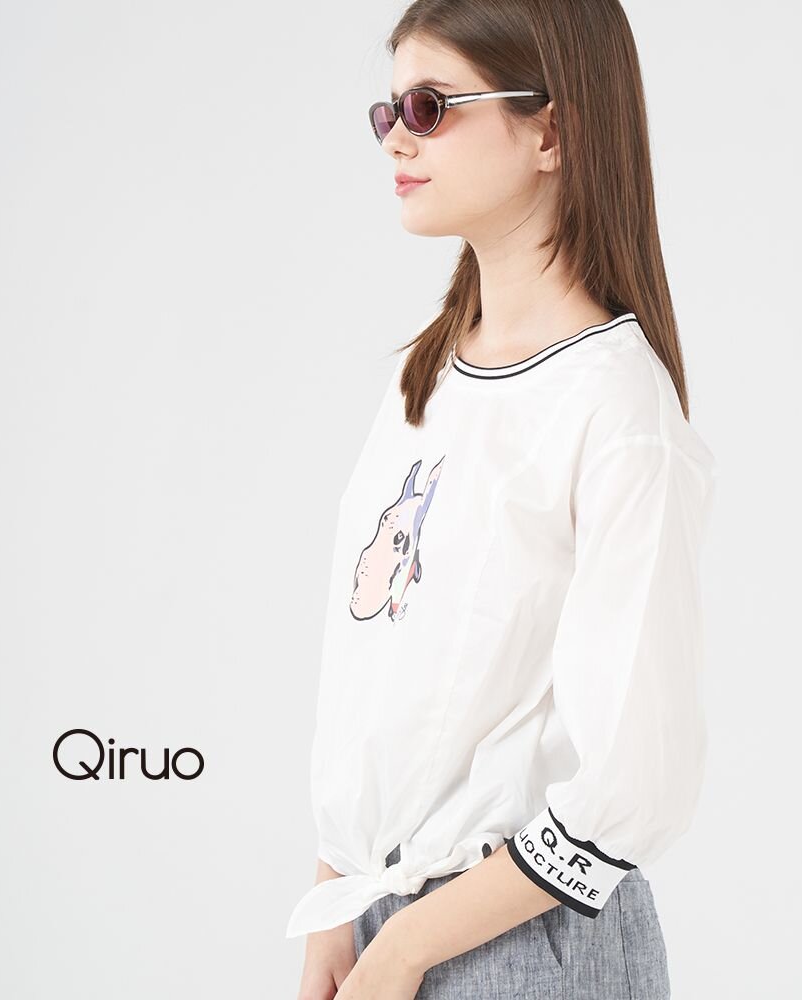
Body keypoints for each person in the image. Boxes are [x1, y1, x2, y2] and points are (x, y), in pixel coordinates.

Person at [288, 1, 719, 997]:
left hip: (526, 937)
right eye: (388, 111)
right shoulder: (426, 372)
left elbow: (636, 781)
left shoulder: (615, 408)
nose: (396, 138)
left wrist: (409, 946)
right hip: (385, 914)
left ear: (551, 131)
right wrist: (337, 895)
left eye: (430, 107)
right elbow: (374, 669)